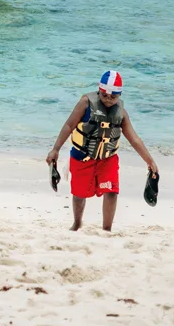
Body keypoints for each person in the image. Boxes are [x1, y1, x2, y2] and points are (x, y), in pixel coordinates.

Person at [45, 70, 159, 232]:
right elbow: (69, 125)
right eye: (105, 95)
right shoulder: (85, 103)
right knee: (79, 194)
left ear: (119, 95)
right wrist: (55, 149)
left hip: (108, 159)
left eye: (113, 97)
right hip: (82, 157)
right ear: (100, 90)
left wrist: (149, 160)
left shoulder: (121, 113)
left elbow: (134, 139)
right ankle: (77, 222)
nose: (108, 100)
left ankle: (107, 229)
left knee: (111, 191)